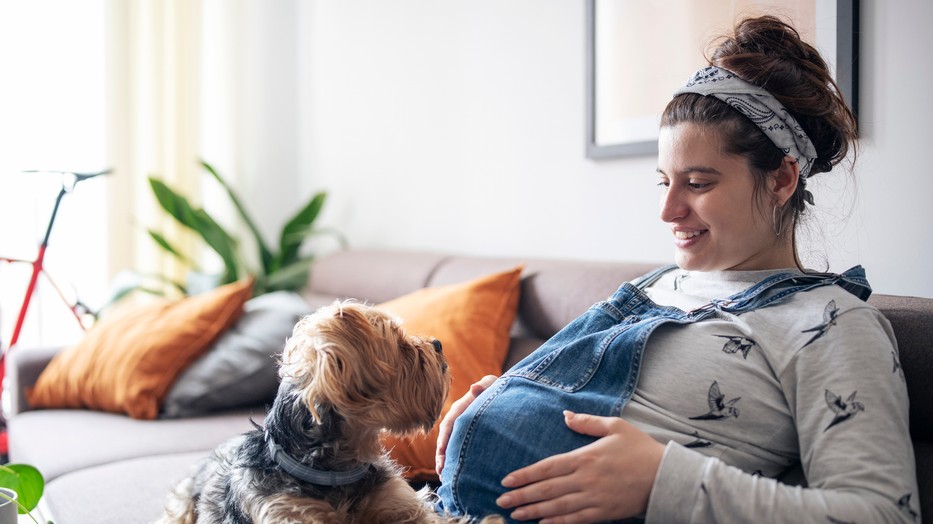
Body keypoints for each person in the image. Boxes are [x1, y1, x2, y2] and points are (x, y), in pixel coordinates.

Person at [433, 14, 920, 524]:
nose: (668, 212)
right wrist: (510, 392)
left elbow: (882, 512)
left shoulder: (831, 323)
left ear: (780, 179)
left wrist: (662, 482)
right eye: (664, 181)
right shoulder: (653, 286)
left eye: (699, 183)